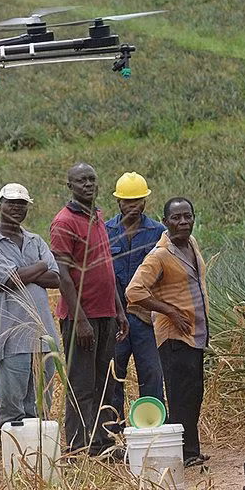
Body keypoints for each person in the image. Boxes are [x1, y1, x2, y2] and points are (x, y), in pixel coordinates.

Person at [50, 163, 129, 457]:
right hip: (81, 318)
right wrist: (80, 320)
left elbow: (106, 268)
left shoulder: (96, 215)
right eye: (81, 181)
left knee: (104, 382)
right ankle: (78, 447)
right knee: (81, 384)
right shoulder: (64, 221)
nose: (88, 185)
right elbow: (63, 274)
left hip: (106, 313)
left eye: (92, 180)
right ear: (69, 185)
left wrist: (119, 310)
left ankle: (104, 443)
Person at [126, 197, 211, 468]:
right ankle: (184, 454)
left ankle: (192, 449)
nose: (183, 222)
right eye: (176, 218)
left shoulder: (191, 245)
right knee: (180, 394)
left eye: (187, 216)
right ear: (165, 222)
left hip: (195, 333)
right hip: (175, 335)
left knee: (193, 393)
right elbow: (134, 291)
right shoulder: (160, 254)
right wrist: (170, 312)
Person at [0, 183, 61, 429]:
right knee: (13, 410)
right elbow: (9, 280)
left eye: (21, 203)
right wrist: (41, 266)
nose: (16, 207)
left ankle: (40, 460)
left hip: (44, 339)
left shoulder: (35, 240)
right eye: (10, 202)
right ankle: (14, 461)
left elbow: (55, 279)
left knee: (41, 407)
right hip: (12, 338)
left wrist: (22, 274)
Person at [105, 172, 166, 431]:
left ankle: (152, 428)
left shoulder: (158, 232)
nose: (133, 206)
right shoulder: (105, 231)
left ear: (145, 202)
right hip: (114, 318)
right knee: (113, 375)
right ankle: (112, 430)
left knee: (151, 374)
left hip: (146, 319)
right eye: (127, 202)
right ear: (118, 203)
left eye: (138, 201)